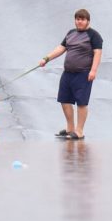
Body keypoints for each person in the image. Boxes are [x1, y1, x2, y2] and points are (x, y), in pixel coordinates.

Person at [39, 8, 103, 140]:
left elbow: (98, 52)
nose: (79, 22)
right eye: (77, 19)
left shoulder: (93, 35)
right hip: (68, 73)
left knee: (81, 102)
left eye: (82, 19)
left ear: (88, 21)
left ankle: (79, 131)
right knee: (64, 100)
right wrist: (46, 58)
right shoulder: (71, 33)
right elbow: (61, 48)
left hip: (83, 73)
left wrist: (93, 70)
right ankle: (70, 128)